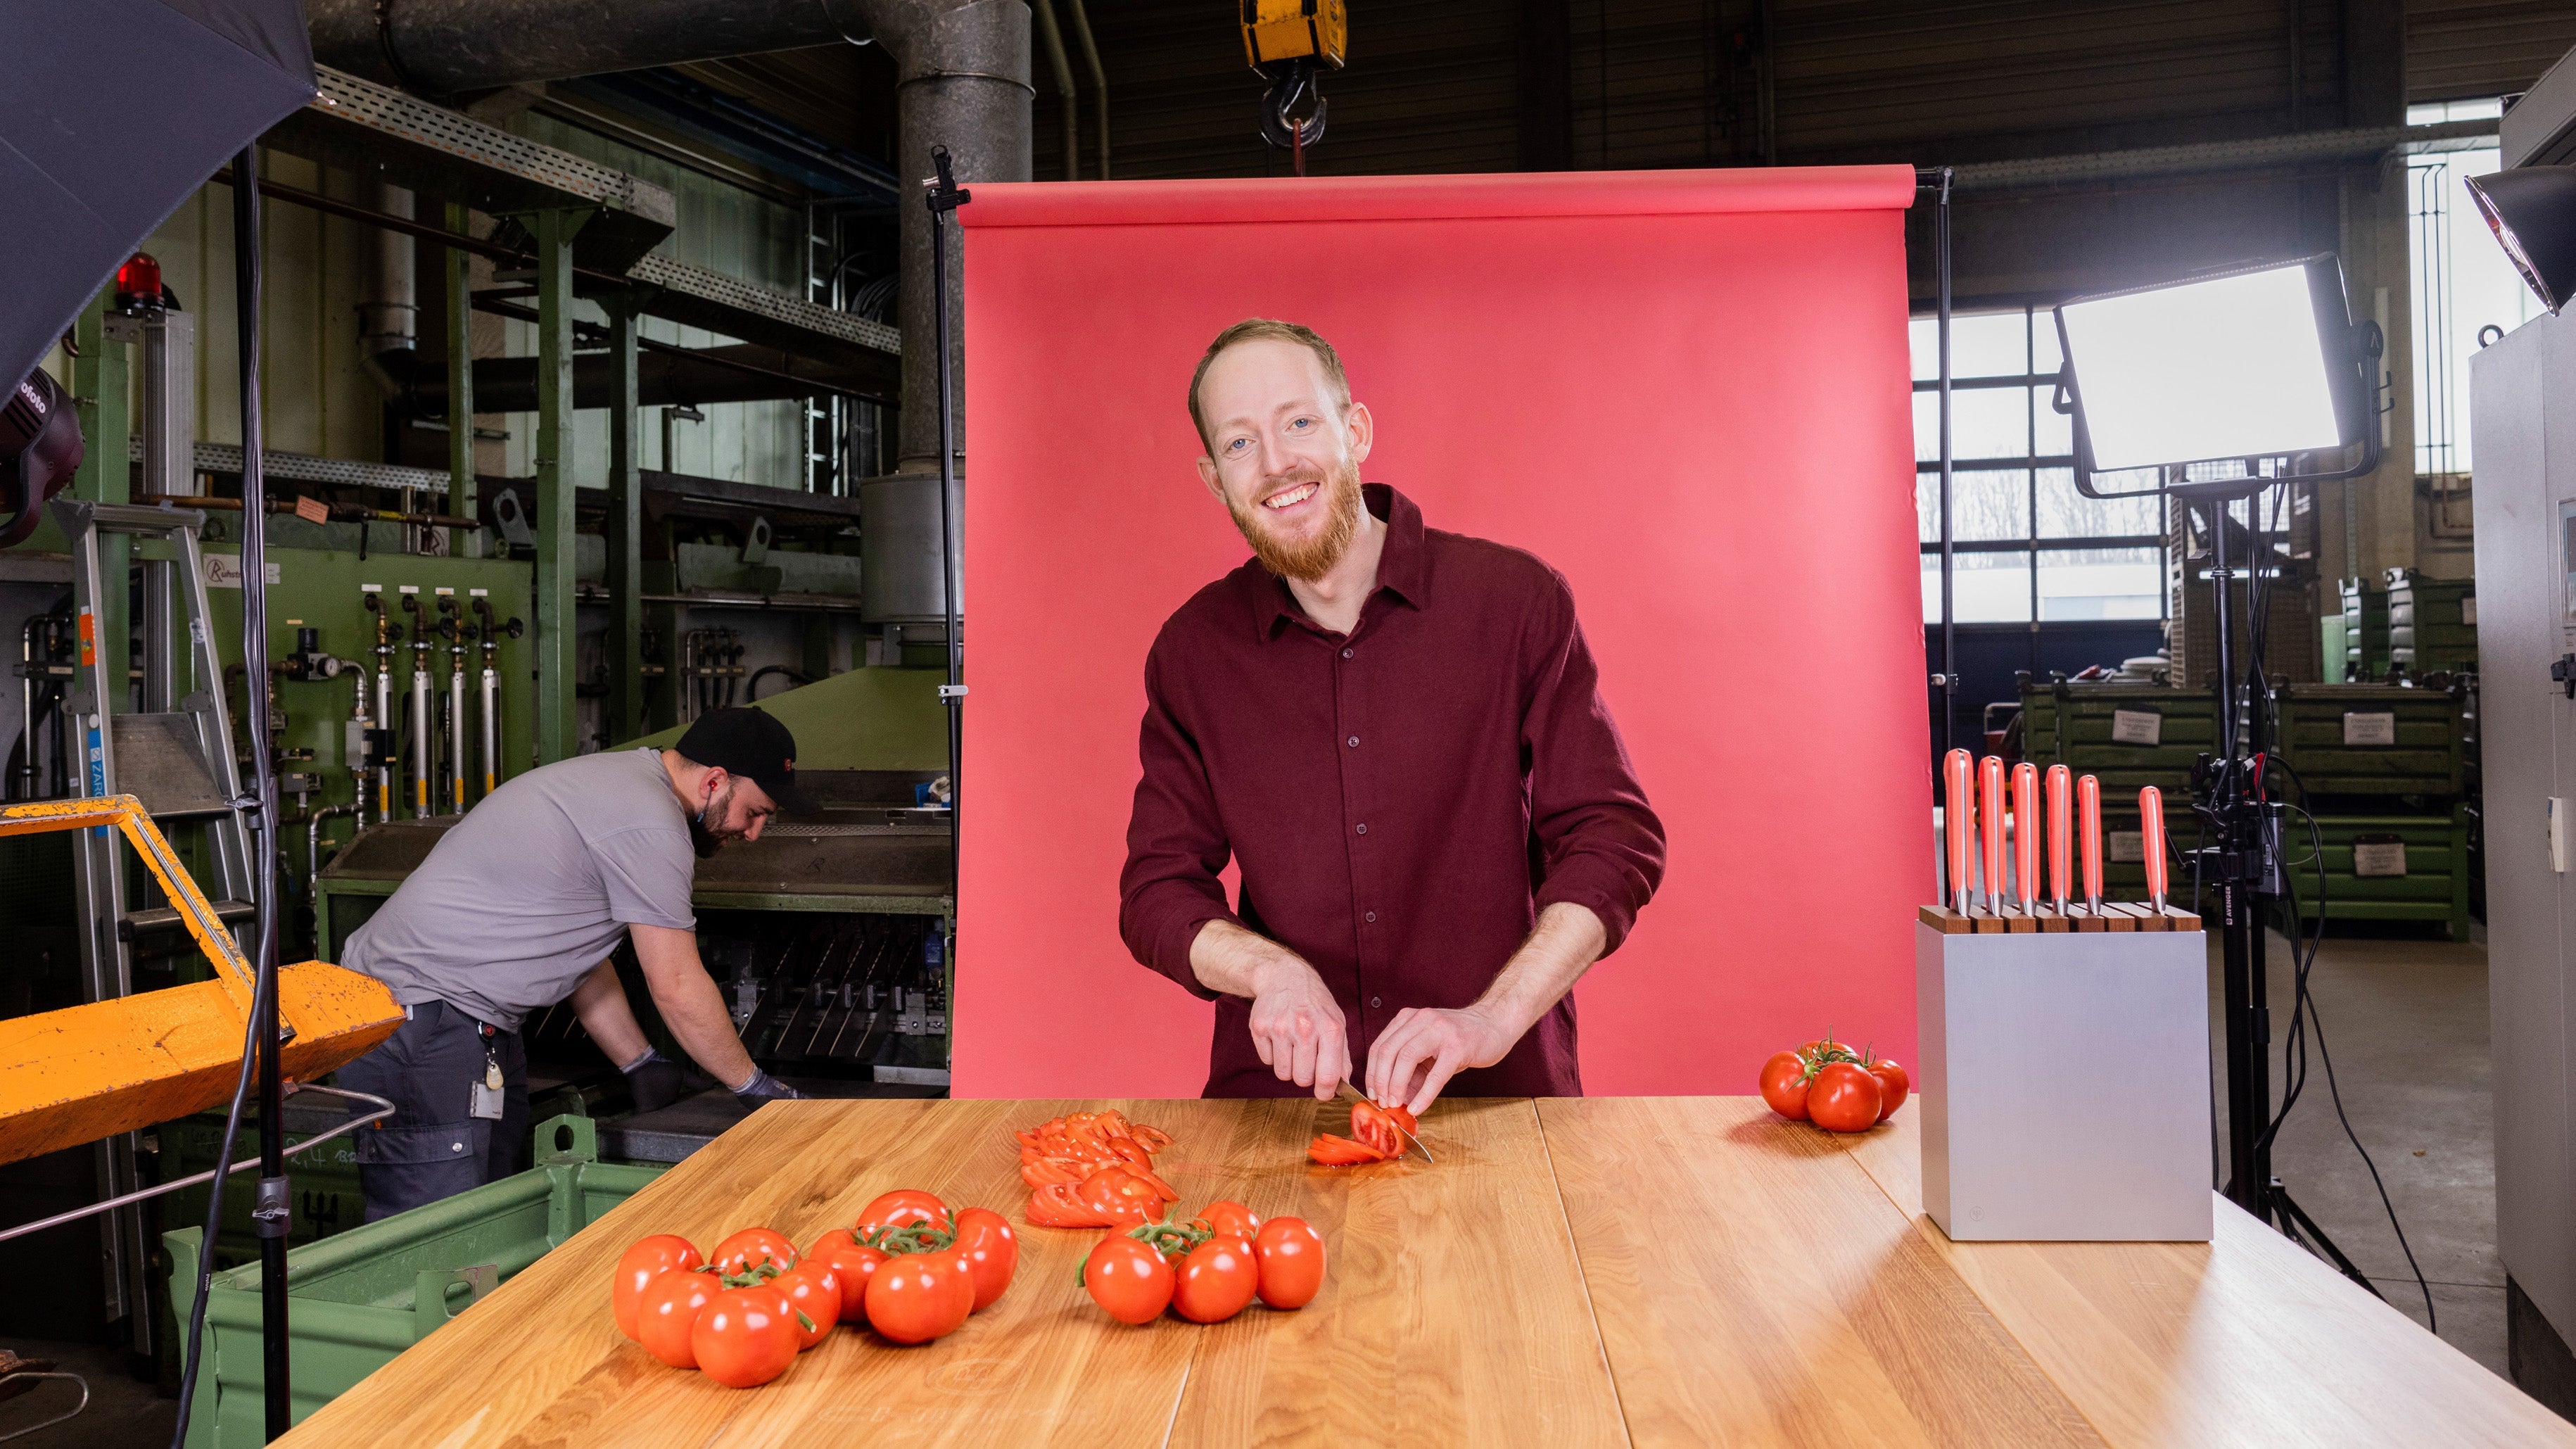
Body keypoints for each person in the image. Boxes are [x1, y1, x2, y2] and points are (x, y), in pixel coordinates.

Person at [1119, 318, 1666, 1114]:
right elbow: (1156, 890)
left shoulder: (1515, 602)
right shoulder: (1191, 652)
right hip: (1278, 1107)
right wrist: (1268, 971)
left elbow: (1613, 838)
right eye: (1239, 443)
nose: (1274, 463)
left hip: (1498, 1099)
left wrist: (1494, 1016)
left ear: (1355, 431)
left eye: (1298, 422)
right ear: (1213, 479)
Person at [336, 707, 810, 1220]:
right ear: (714, 782)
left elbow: (574, 952)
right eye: (754, 812)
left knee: (493, 1220)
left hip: (468, 1023)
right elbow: (675, 983)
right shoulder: (650, 820)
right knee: (438, 1234)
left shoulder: (621, 783)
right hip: (420, 1023)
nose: (754, 832)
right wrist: (754, 1086)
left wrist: (640, 1061)